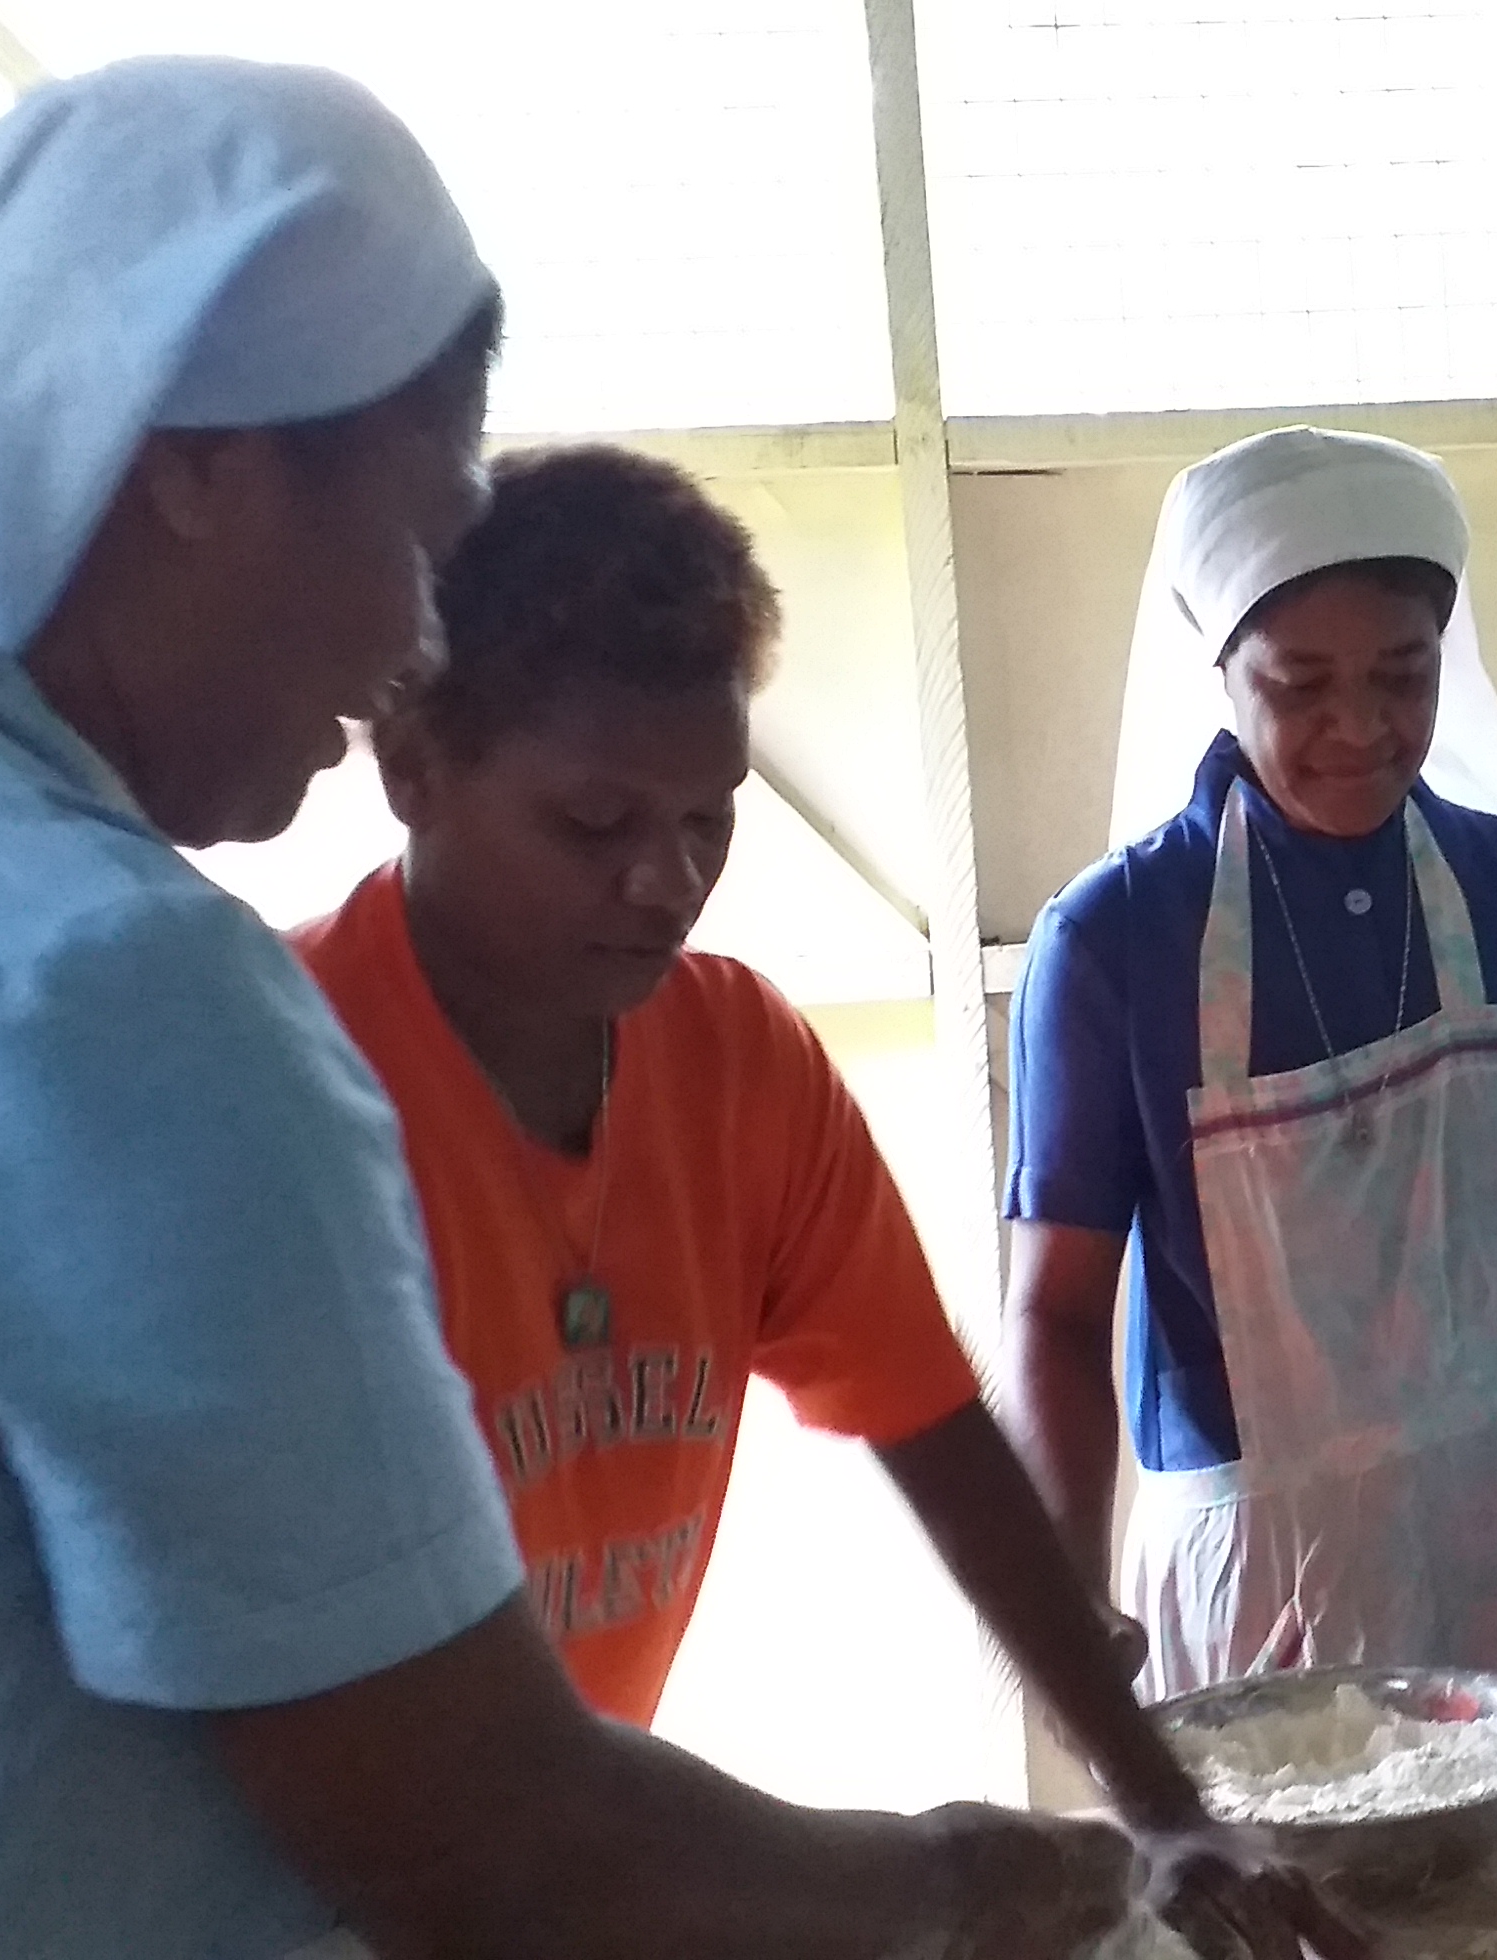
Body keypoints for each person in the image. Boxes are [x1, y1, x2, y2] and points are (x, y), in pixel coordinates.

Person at [0, 61, 1121, 1958]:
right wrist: (977, 1883)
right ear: (200, 466)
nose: (411, 655)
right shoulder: (84, 982)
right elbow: (495, 1847)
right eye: (422, 543)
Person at [291, 443, 1355, 1960]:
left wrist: (1157, 1798)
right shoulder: (286, 1096)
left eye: (709, 821)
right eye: (594, 827)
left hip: (555, 1858)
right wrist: (930, 1882)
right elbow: (380, 1765)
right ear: (412, 768)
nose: (665, 881)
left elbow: (934, 1433)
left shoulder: (736, 1065)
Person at [1002, 426, 1497, 1719]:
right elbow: (1054, 1319)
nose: (1362, 727)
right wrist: (1066, 1610)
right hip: (1281, 1599)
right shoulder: (1116, 946)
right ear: (1222, 672)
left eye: (1405, 675)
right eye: (1301, 684)